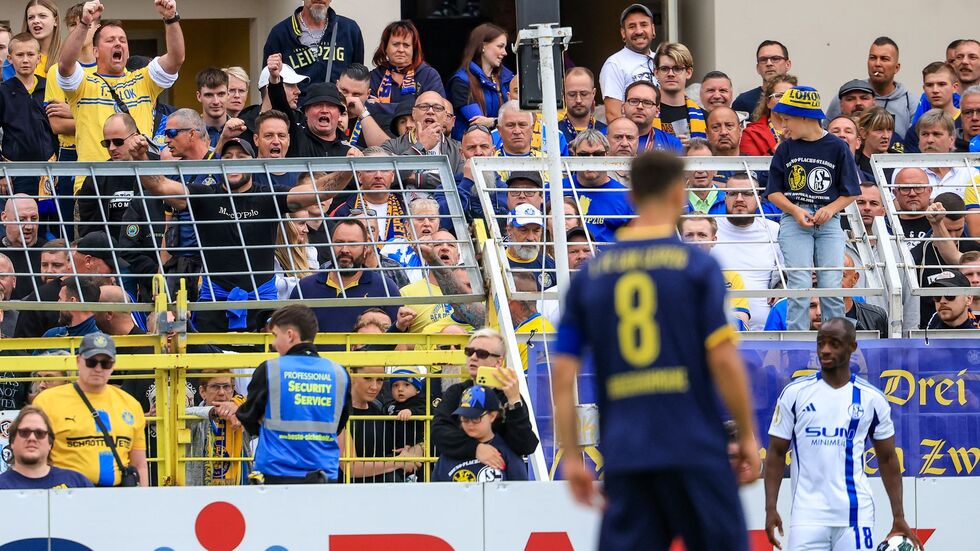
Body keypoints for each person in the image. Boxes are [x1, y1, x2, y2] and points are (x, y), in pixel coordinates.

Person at [554, 150, 760, 551]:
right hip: (695, 447)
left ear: (631, 198)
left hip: (628, 454)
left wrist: (573, 455)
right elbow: (722, 359)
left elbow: (563, 376)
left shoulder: (590, 275)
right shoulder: (697, 267)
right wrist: (746, 433)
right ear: (678, 195)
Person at [132, 123, 349, 333]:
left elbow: (318, 192)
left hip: (261, 304)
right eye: (227, 158)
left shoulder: (268, 194)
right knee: (209, 368)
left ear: (253, 162)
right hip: (214, 301)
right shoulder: (205, 194)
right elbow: (160, 185)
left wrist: (349, 169)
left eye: (241, 157)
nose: (234, 162)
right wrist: (140, 157)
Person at [765, 318, 920, 551]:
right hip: (807, 517)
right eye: (821, 343)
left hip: (855, 517)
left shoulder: (871, 398)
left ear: (852, 348)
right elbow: (776, 454)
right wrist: (770, 508)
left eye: (834, 344)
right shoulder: (794, 393)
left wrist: (898, 515)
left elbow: (888, 459)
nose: (825, 350)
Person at [766, 86, 861, 331]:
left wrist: (831, 208)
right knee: (799, 282)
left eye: (788, 119)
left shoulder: (837, 147)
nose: (784, 126)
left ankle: (836, 340)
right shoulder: (785, 148)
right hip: (794, 217)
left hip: (828, 221)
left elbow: (851, 191)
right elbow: (773, 192)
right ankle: (797, 344)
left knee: (831, 283)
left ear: (806, 117)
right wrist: (795, 210)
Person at [57, 0, 184, 180]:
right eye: (110, 40)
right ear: (95, 51)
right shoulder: (83, 83)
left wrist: (171, 19)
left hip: (141, 181)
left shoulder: (143, 80)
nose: (118, 43)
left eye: (122, 40)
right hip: (94, 184)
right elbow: (65, 64)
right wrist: (84, 23)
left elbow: (176, 59)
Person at [235, 305, 351, 484]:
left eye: (275, 335)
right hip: (324, 473)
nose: (273, 344)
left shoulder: (270, 369)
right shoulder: (339, 373)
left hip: (276, 471)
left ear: (290, 335)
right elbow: (338, 424)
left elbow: (248, 416)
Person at [33, 332, 148, 486]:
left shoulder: (130, 404)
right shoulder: (47, 401)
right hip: (67, 495)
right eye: (91, 362)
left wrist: (142, 502)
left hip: (117, 497)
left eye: (105, 363)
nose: (98, 368)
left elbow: (139, 464)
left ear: (113, 365)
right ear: (79, 361)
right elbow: (35, 457)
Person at [432, 328, 538, 470]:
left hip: (499, 477)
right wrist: (476, 448)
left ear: (498, 362)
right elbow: (439, 432)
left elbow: (526, 445)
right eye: (469, 352)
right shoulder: (457, 392)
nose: (473, 357)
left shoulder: (508, 395)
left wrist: (514, 402)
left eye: (482, 354)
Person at [291, 219, 401, 334]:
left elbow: (399, 341)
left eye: (352, 244)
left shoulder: (385, 288)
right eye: (339, 243)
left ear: (366, 248)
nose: (344, 250)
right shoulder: (305, 288)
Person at [712, 175, 783, 329]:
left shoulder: (773, 230)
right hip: (718, 330)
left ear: (758, 199)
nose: (739, 199)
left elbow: (789, 274)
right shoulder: (709, 229)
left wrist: (780, 289)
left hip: (766, 331)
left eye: (746, 193)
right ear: (724, 198)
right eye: (732, 193)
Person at [266, 54, 355, 159]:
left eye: (330, 106)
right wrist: (274, 79)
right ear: (306, 112)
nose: (324, 110)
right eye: (318, 105)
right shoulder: (295, 138)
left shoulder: (349, 151)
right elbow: (280, 106)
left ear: (339, 113)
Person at [432, 384, 528, 482]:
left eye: (475, 418)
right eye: (465, 418)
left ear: (492, 416)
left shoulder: (507, 452)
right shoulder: (449, 454)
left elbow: (521, 490)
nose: (470, 423)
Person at [262, 0, 364, 91]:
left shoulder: (349, 30)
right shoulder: (281, 33)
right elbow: (267, 81)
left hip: (338, 107)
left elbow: (358, 77)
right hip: (297, 109)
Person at [826, 37, 918, 138]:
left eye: (884, 59)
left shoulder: (910, 102)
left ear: (897, 67)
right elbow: (825, 134)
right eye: (873, 58)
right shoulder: (848, 95)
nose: (877, 64)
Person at [75, 113, 147, 238]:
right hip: (111, 252)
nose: (112, 148)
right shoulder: (96, 177)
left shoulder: (158, 166)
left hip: (151, 248)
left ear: (135, 137)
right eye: (107, 143)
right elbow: (88, 230)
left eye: (118, 142)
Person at [0, 33, 55, 195]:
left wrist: (57, 164)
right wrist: (2, 172)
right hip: (15, 170)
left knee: (47, 218)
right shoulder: (3, 91)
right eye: (19, 55)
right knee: (20, 216)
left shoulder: (49, 87)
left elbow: (57, 130)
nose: (25, 60)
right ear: (10, 59)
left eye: (30, 55)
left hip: (48, 168)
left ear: (38, 58)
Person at [679, 216, 752, 331]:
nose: (695, 240)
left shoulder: (731, 277)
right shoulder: (668, 275)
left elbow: (740, 322)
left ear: (714, 240)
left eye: (702, 235)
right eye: (689, 235)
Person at [565, 130, 633, 243]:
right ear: (574, 155)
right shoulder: (554, 189)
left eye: (597, 154)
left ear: (607, 154)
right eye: (584, 155)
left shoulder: (626, 197)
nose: (591, 160)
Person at [0, 406, 92, 489]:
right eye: (24, 432)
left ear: (50, 443)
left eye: (39, 433)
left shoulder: (77, 483)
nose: (32, 438)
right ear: (12, 441)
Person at [448, 23, 512, 140]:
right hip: (472, 148)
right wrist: (504, 122)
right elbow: (478, 122)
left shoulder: (507, 78)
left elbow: (519, 115)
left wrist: (493, 121)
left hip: (501, 146)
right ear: (483, 46)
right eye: (500, 46)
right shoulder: (461, 81)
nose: (505, 52)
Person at [186, 370, 249, 486]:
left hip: (240, 493)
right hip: (199, 494)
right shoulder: (193, 416)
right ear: (202, 392)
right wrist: (213, 412)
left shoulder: (240, 415)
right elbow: (183, 415)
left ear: (233, 390)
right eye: (215, 387)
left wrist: (242, 407)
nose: (221, 392)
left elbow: (266, 411)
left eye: (226, 387)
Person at [599, 3, 657, 124]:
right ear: (623, 33)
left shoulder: (662, 61)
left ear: (653, 29)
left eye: (644, 24)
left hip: (663, 137)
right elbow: (613, 115)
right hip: (635, 139)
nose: (639, 31)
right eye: (632, 26)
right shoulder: (614, 64)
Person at [368, 20, 444, 112]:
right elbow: (368, 108)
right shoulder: (374, 76)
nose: (401, 50)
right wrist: (416, 107)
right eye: (396, 44)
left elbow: (437, 110)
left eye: (406, 45)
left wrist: (381, 106)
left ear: (414, 49)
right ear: (385, 47)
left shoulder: (428, 75)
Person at [653, 42, 705, 141]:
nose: (671, 74)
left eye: (677, 68)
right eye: (664, 69)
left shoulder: (705, 117)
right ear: (656, 73)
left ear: (688, 73)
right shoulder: (646, 114)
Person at [904, 62, 961, 153]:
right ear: (924, 89)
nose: (935, 90)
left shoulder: (969, 123)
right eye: (929, 85)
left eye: (941, 84)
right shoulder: (915, 130)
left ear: (954, 87)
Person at [0, 194, 46, 298]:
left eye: (34, 219)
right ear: (4, 218)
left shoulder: (49, 253)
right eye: (22, 220)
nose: (29, 226)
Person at [740, 74, 798, 156]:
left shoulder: (807, 131)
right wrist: (780, 145)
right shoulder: (752, 133)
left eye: (790, 96)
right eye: (779, 96)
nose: (785, 100)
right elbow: (752, 167)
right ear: (768, 102)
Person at [733, 41, 792, 118]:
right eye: (763, 60)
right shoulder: (743, 101)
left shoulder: (802, 97)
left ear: (788, 64)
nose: (769, 63)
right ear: (758, 68)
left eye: (775, 58)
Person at [505, 203, 556, 291]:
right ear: (509, 230)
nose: (531, 238)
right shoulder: (498, 263)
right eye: (524, 230)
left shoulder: (550, 265)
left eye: (536, 231)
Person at [624, 80, 683, 154]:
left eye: (647, 103)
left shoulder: (672, 143)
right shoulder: (606, 138)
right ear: (623, 107)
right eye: (634, 101)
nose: (640, 106)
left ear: (657, 111)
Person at [560, 67, 607, 143]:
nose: (578, 100)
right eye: (572, 94)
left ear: (593, 93)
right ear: (563, 94)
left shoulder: (606, 133)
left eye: (584, 94)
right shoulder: (554, 133)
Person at [893, 168, 933, 250]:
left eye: (918, 187)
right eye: (905, 188)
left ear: (930, 190)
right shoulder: (887, 226)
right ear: (895, 193)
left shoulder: (943, 224)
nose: (912, 193)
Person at [683, 138, 725, 214]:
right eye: (694, 164)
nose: (700, 170)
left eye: (705, 163)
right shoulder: (673, 204)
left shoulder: (730, 201)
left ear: (716, 169)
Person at [854, 106, 899, 178]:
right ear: (863, 133)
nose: (886, 136)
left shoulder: (901, 162)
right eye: (879, 130)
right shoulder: (853, 164)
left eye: (889, 130)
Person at [196, 67, 229, 147]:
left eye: (221, 94)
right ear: (199, 96)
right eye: (209, 95)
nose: (216, 101)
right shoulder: (190, 134)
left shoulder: (242, 131)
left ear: (228, 95)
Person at [606, 117, 639, 185]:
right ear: (606, 139)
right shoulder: (597, 169)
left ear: (638, 141)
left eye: (630, 138)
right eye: (618, 137)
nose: (624, 144)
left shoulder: (647, 171)